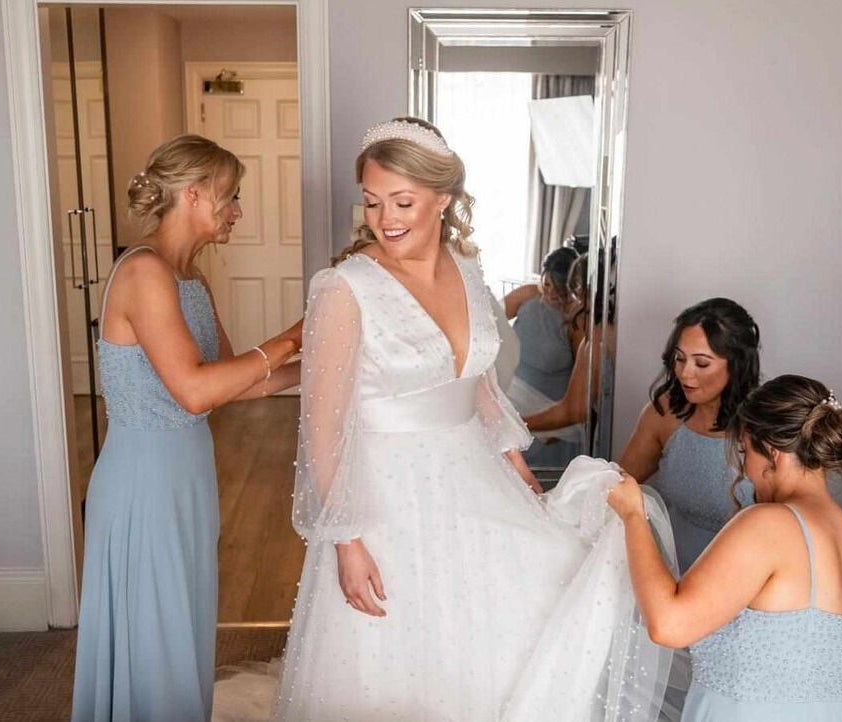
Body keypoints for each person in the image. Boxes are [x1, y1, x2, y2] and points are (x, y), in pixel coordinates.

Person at [270, 117, 672, 721]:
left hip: (470, 472)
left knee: (503, 612)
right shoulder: (344, 287)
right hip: (388, 493)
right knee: (403, 638)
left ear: (445, 200)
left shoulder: (467, 271)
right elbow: (322, 429)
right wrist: (346, 540)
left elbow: (478, 382)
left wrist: (513, 457)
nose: (385, 218)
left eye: (402, 201)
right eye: (374, 202)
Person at [71, 134, 303, 722]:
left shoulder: (189, 277)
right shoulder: (145, 272)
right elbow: (194, 390)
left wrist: (325, 364)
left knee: (183, 626)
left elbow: (237, 384)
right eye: (231, 196)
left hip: (186, 476)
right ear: (194, 194)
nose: (237, 211)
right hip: (142, 482)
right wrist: (295, 335)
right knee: (155, 635)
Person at [607, 374, 842, 721]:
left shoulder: (768, 524)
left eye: (745, 451)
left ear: (774, 454)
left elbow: (669, 625)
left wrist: (634, 515)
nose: (745, 469)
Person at [620, 297, 760, 575]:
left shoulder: (763, 428)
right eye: (679, 358)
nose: (685, 373)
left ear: (737, 365)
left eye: (702, 363)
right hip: (668, 571)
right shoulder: (665, 414)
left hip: (739, 583)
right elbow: (620, 484)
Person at [502, 246, 583, 467]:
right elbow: (490, 322)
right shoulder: (527, 295)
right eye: (547, 285)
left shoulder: (576, 321)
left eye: (560, 289)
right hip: (512, 394)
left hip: (547, 408)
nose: (551, 294)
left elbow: (582, 376)